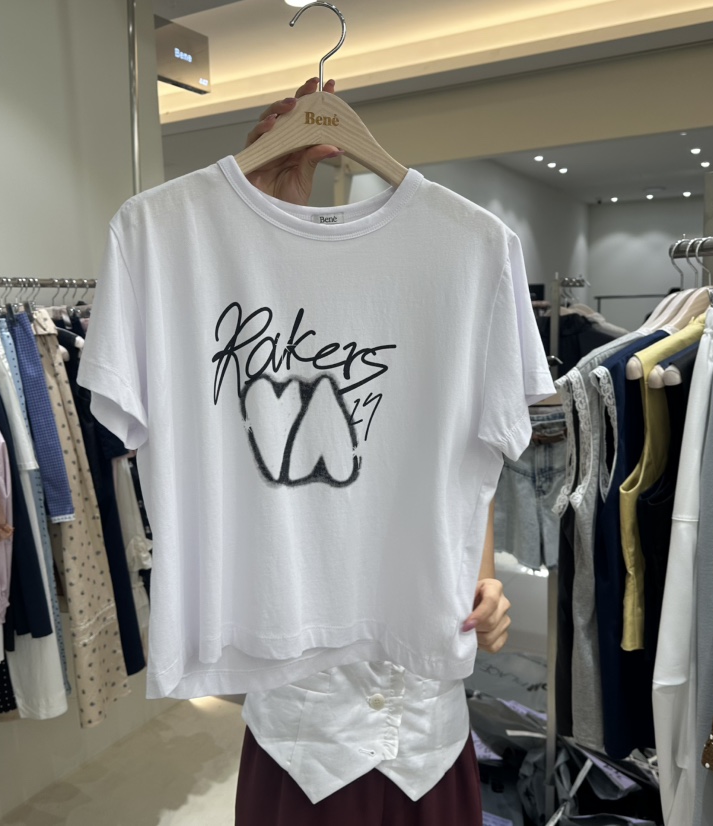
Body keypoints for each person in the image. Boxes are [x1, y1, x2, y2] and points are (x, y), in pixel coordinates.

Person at [233, 77, 514, 825]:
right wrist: (255, 217)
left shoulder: (470, 258)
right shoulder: (231, 296)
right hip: (304, 732)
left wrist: (482, 580)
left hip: (425, 727)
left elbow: (469, 461)